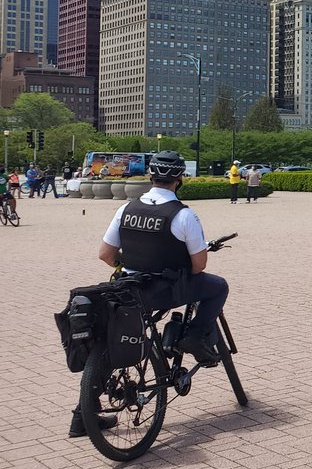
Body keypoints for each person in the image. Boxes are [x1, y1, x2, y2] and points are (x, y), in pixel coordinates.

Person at [73, 151, 229, 437]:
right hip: (163, 291)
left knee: (119, 339)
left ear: (151, 176)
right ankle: (194, 335)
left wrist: (130, 264)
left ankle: (82, 415)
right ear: (179, 178)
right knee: (217, 286)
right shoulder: (183, 214)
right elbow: (199, 265)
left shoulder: (126, 209)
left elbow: (106, 255)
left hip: (128, 290)